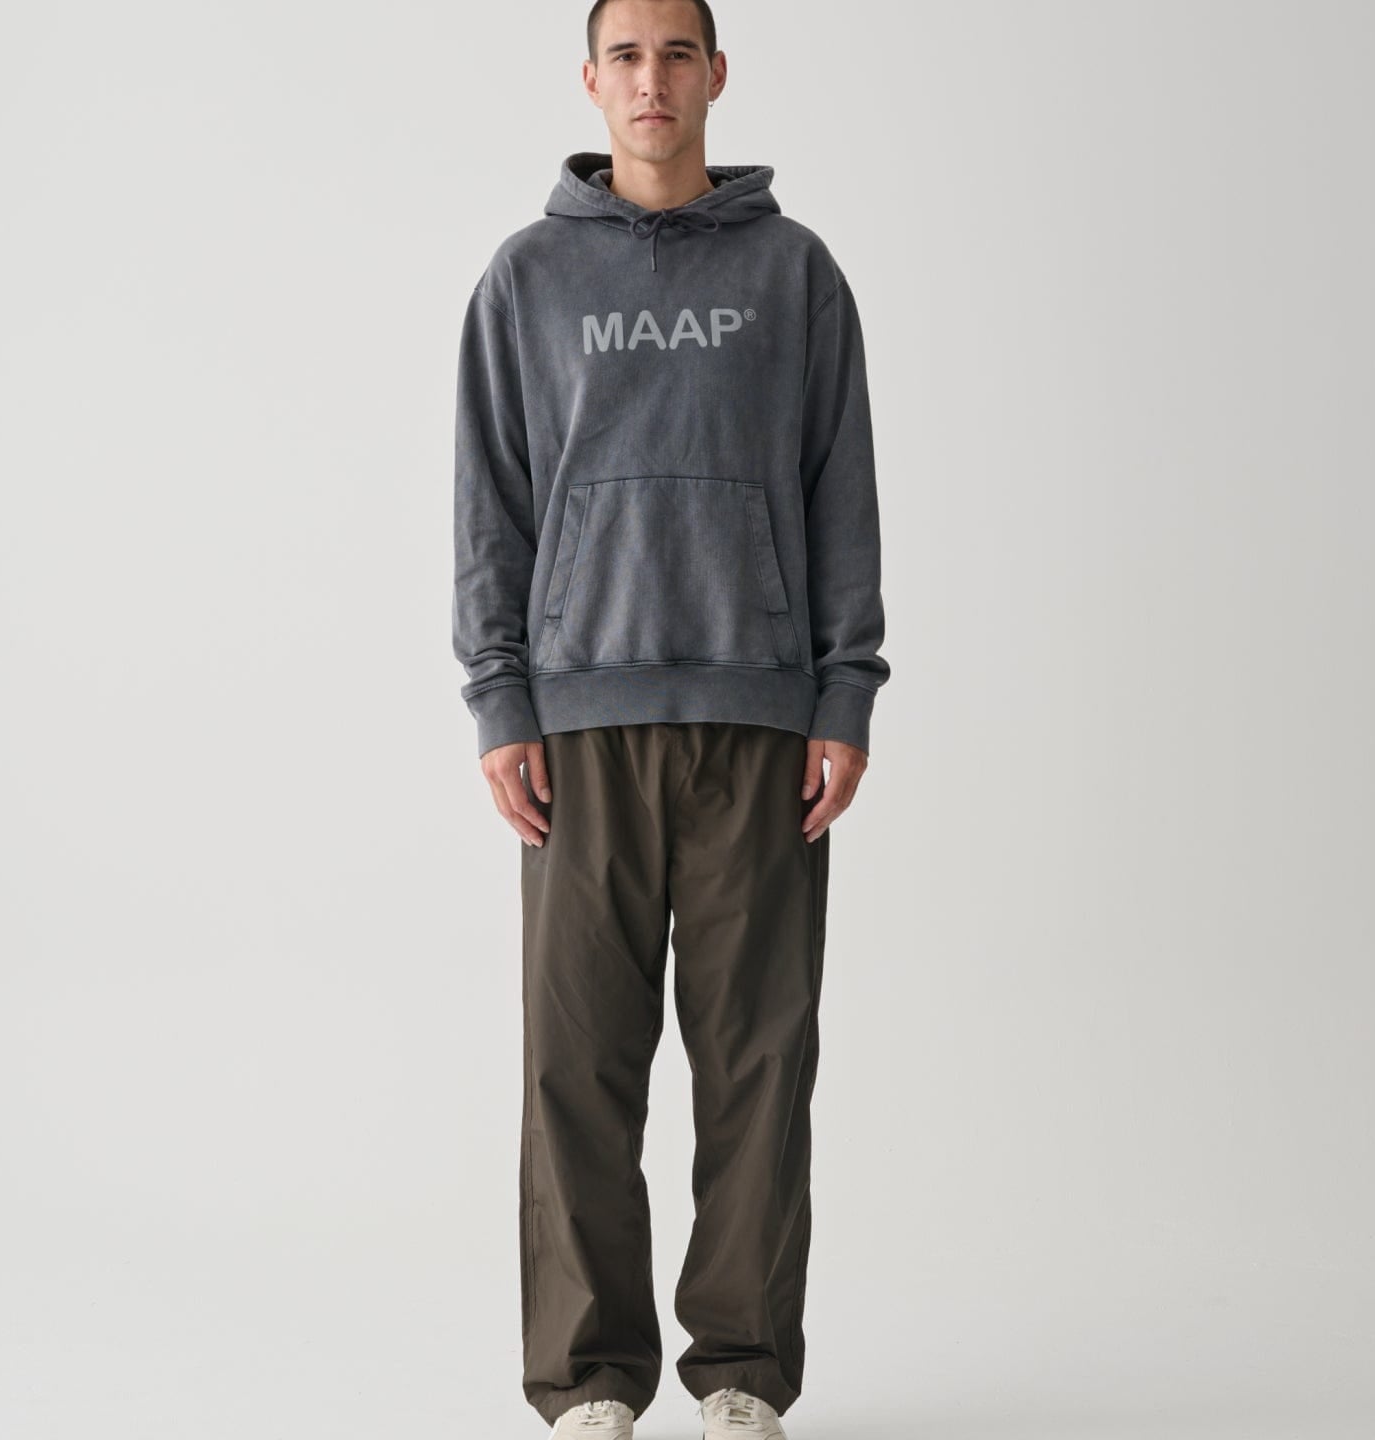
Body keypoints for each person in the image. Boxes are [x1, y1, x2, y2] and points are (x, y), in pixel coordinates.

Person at [451, 1, 890, 1435]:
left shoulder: (794, 272)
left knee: (759, 1057)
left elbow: (839, 487)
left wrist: (844, 687)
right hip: (579, 726)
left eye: (678, 54)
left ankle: (743, 1374)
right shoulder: (526, 279)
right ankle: (590, 1383)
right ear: (593, 82)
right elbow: (492, 502)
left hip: (761, 720)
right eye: (628, 57)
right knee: (574, 1065)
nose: (654, 80)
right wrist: (500, 696)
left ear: (716, 76)